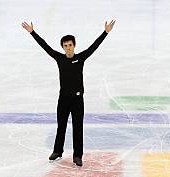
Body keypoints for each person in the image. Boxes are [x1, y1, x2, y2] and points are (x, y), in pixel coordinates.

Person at [21, 19, 116, 167]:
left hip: (78, 100)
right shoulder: (59, 58)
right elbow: (45, 46)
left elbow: (94, 46)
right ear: (63, 47)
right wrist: (32, 32)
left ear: (74, 45)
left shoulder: (81, 57)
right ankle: (57, 151)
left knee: (78, 128)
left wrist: (105, 32)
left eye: (70, 45)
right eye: (65, 46)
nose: (68, 48)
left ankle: (77, 155)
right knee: (61, 126)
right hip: (63, 99)